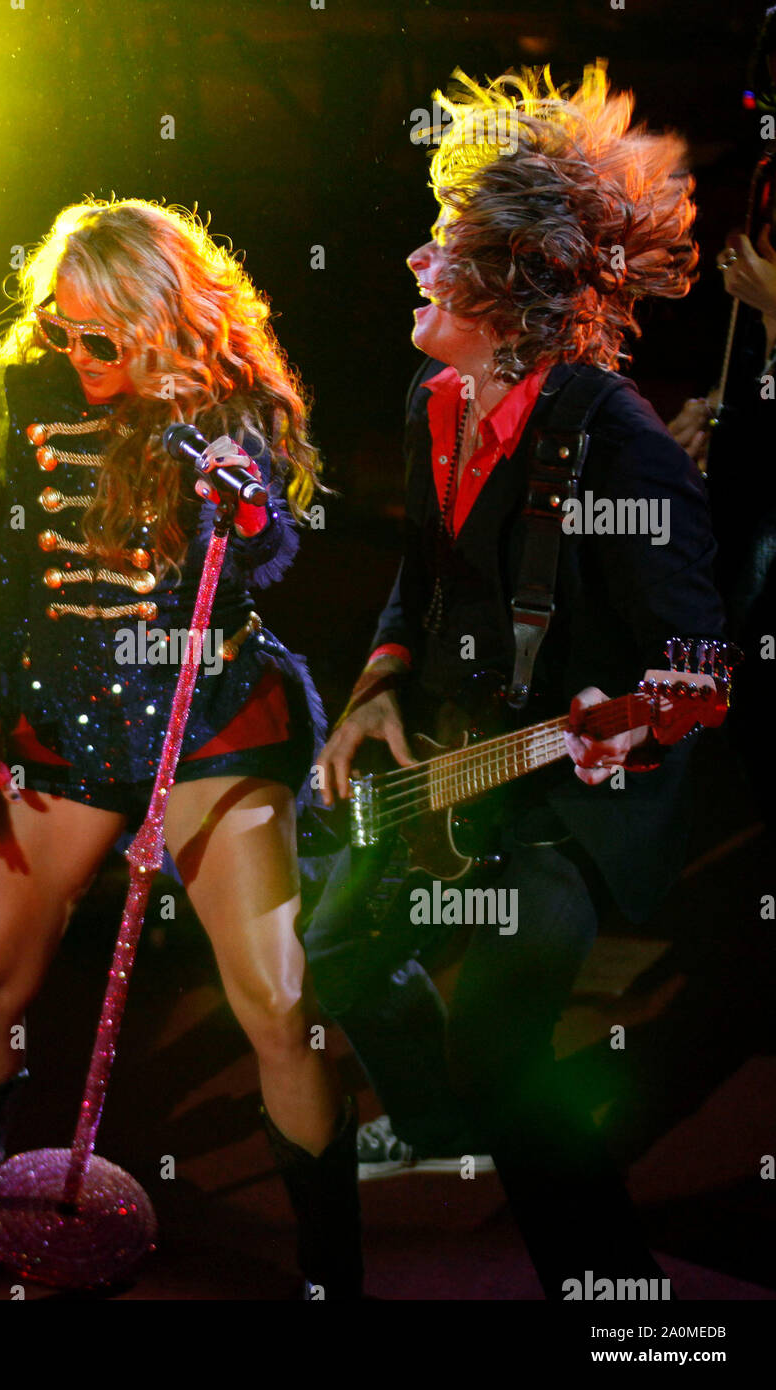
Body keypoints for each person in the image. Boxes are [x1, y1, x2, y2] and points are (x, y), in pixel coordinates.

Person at [0, 197, 362, 1299]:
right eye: (62, 329)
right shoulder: (31, 395)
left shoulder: (235, 405)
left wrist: (233, 507)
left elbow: (269, 550)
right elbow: (10, 582)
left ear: (162, 322)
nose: (78, 354)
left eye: (105, 337)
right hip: (70, 718)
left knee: (278, 1008)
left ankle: (333, 1266)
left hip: (211, 724)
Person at [304, 65, 724, 1297]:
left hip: (574, 791)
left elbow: (695, 660)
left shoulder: (620, 441)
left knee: (498, 1049)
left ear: (511, 284)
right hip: (454, 752)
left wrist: (629, 725)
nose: (415, 269)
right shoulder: (436, 400)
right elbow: (418, 585)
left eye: (442, 251)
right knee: (329, 953)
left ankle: (620, 1301)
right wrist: (380, 683)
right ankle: (440, 1131)